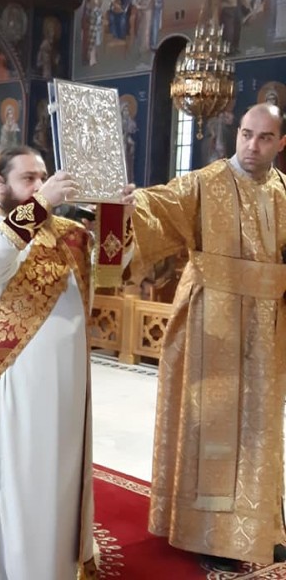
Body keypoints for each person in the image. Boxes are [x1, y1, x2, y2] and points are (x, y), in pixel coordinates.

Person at [0, 145, 136, 579]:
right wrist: (41, 205)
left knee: (49, 476)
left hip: (60, 389)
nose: (39, 185)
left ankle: (47, 566)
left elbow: (111, 270)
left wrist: (118, 217)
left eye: (43, 177)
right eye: (28, 179)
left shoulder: (67, 232)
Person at [131, 104, 286, 572]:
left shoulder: (282, 191)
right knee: (212, 424)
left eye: (264, 137)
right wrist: (128, 203)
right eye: (246, 134)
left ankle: (262, 528)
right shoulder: (206, 182)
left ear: (281, 143)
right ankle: (210, 533)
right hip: (211, 324)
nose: (252, 145)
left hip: (265, 329)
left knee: (259, 427)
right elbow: (155, 206)